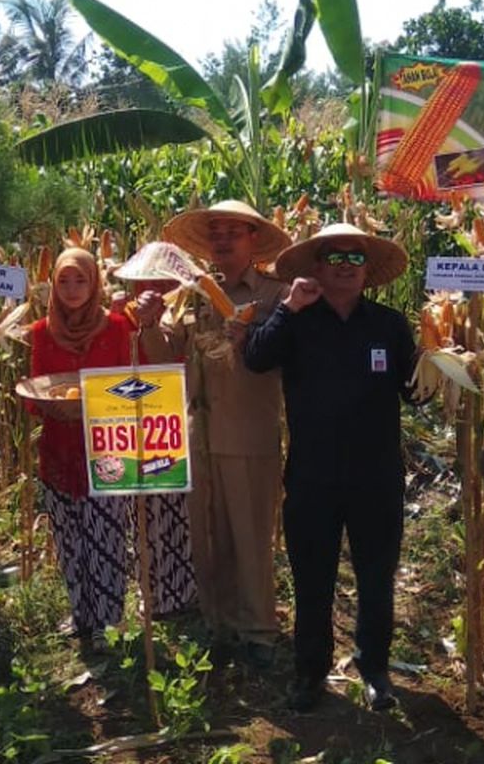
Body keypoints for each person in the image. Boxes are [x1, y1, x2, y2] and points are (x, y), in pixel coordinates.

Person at [243, 223, 415, 712]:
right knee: (312, 579)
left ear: (367, 269)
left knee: (376, 578)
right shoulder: (296, 320)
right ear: (316, 267)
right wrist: (288, 307)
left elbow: (412, 390)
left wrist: (447, 367)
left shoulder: (389, 325)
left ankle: (375, 669)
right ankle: (310, 672)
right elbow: (256, 359)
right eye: (335, 257)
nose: (345, 266)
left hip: (376, 475)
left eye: (355, 258)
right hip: (312, 475)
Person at [145, 200, 291, 668]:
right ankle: (219, 624)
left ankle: (259, 631)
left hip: (248, 431)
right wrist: (147, 323)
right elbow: (165, 355)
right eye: (216, 233)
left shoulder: (275, 295)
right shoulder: (189, 296)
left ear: (253, 240)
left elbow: (285, 357)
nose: (223, 240)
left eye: (234, 232)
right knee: (207, 536)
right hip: (198, 434)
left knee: (250, 538)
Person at [27, 248, 141, 647]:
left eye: (81, 280)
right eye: (64, 281)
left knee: (107, 537)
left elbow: (134, 384)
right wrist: (50, 405)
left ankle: (109, 622)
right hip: (59, 449)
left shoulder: (118, 327)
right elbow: (34, 394)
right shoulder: (41, 332)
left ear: (95, 284)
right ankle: (81, 616)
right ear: (53, 285)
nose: (73, 289)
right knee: (69, 538)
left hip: (107, 446)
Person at [115, 267, 198, 619]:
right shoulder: (121, 315)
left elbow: (179, 363)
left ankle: (184, 589)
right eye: (148, 283)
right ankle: (152, 590)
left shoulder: (189, 313)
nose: (157, 289)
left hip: (175, 420)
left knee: (179, 510)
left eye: (165, 283)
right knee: (144, 511)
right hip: (135, 420)